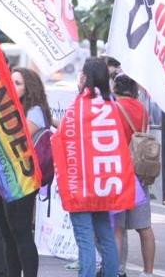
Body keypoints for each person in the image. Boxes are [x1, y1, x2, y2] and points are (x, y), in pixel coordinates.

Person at [61, 58, 120, 277]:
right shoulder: (111, 104)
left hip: (81, 184)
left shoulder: (79, 105)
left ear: (85, 77)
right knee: (106, 236)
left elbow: (65, 137)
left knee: (85, 240)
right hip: (102, 182)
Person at [0, 68, 52, 277]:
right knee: (6, 234)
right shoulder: (12, 108)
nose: (12, 86)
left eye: (17, 83)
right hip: (4, 176)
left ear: (29, 87)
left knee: (21, 233)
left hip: (22, 180)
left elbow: (13, 138)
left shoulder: (34, 111)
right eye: (11, 82)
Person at [112, 73, 156, 277]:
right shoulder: (142, 109)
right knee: (144, 228)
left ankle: (117, 270)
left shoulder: (112, 108)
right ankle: (148, 272)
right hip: (139, 173)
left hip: (119, 172)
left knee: (117, 227)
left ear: (116, 88)